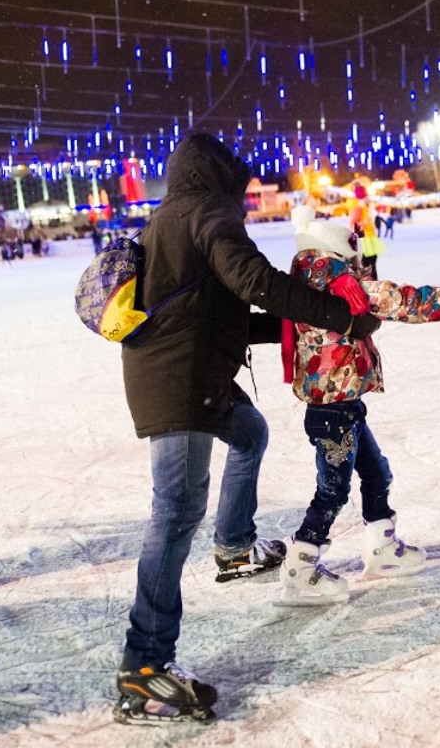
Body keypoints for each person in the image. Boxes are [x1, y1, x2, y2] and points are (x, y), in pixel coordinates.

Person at [112, 133, 380, 725]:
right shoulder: (206, 213)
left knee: (250, 432)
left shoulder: (174, 216)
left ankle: (234, 548)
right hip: (180, 381)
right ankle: (144, 670)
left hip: (188, 367)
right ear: (219, 177)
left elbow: (220, 308)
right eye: (240, 183)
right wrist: (339, 315)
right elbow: (256, 281)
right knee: (177, 511)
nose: (246, 195)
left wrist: (302, 330)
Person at [277, 207, 440, 605]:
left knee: (377, 474)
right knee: (332, 492)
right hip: (332, 409)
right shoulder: (335, 282)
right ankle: (300, 566)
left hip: (343, 403)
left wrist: (363, 261)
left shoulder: (318, 277)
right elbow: (398, 300)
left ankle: (382, 548)